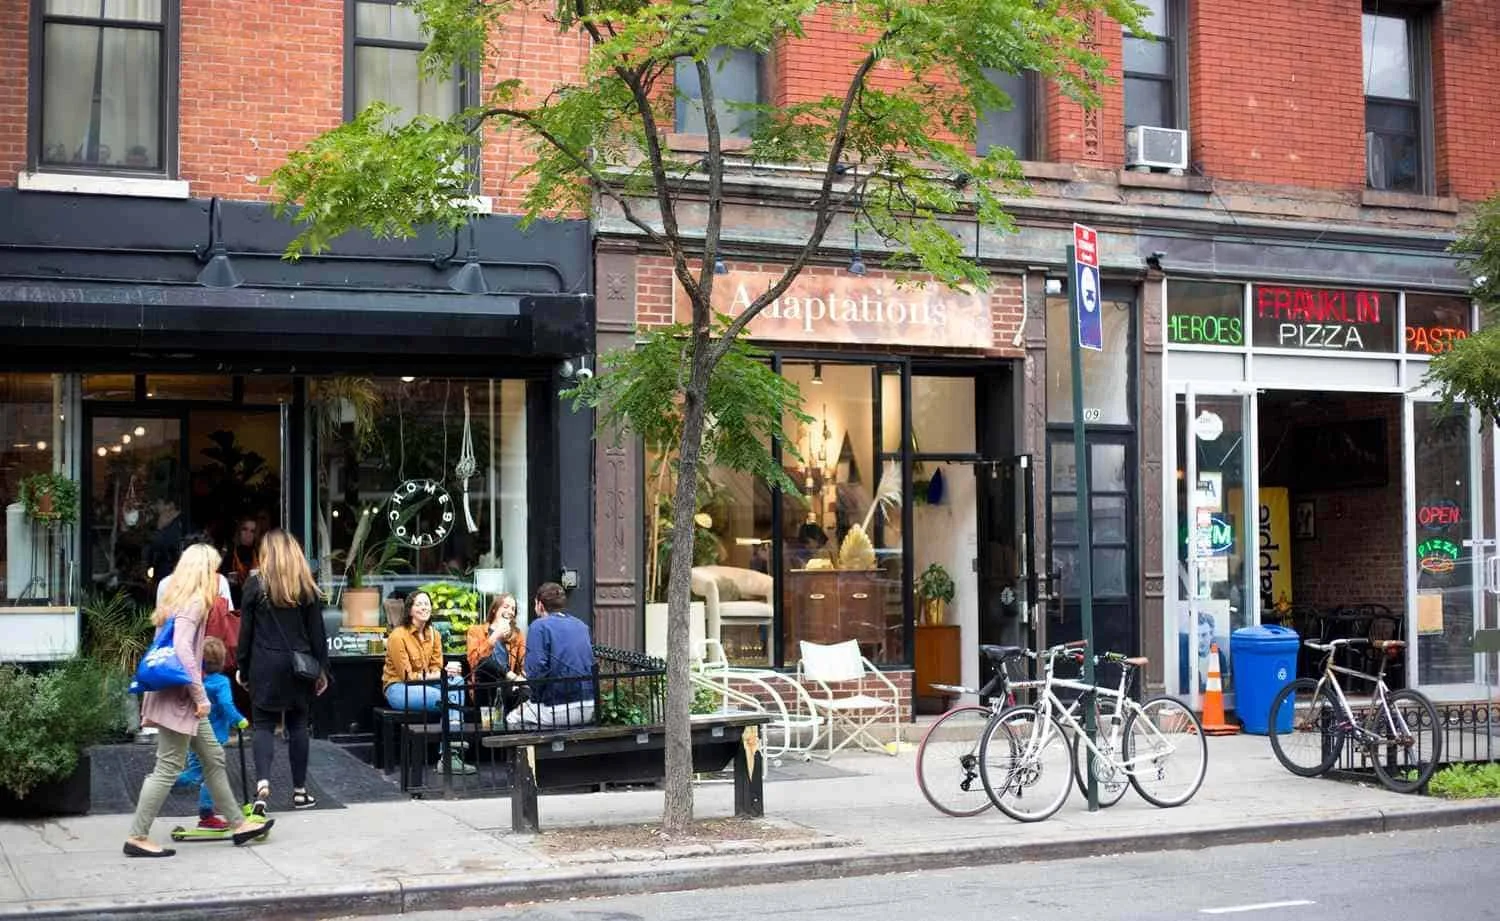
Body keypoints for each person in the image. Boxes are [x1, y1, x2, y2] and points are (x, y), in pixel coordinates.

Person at [124, 544, 273, 857]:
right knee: (168, 766)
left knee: (213, 757)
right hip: (181, 699)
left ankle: (238, 824)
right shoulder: (193, 602)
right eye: (213, 569)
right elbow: (183, 651)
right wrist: (200, 695)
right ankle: (137, 836)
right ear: (203, 571)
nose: (218, 576)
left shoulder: (174, 598)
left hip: (179, 696)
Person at [236, 530, 330, 814]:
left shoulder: (255, 585)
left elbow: (245, 633)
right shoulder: (306, 587)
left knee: (263, 725)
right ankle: (300, 792)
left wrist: (242, 668)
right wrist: (322, 670)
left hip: (264, 664)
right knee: (298, 725)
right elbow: (318, 634)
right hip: (298, 666)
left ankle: (263, 783)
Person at [382, 590, 476, 775]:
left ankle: (449, 753)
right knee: (448, 697)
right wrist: (441, 674)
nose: (424, 607)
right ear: (410, 610)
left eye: (427, 604)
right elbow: (408, 677)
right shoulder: (398, 636)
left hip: (425, 684)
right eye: (419, 604)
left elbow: (435, 668)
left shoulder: (434, 634)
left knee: (457, 681)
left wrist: (446, 673)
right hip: (398, 688)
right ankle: (450, 755)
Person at [175, 636, 248, 831]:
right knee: (210, 774)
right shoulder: (221, 682)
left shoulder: (195, 682)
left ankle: (163, 783)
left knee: (196, 771)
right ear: (222, 661)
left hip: (193, 733)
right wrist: (239, 720)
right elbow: (226, 704)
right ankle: (206, 814)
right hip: (213, 737)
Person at [507, 582, 595, 730]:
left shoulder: (539, 626)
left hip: (558, 708)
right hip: (590, 706)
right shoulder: (581, 625)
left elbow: (536, 670)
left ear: (540, 605)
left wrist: (533, 698)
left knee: (511, 718)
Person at [465, 593, 526, 712]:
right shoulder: (476, 631)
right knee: (486, 661)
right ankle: (508, 676)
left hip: (508, 687)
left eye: (513, 609)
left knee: (526, 692)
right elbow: (474, 662)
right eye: (506, 606)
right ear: (494, 609)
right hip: (485, 685)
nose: (510, 611)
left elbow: (524, 663)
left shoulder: (517, 635)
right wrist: (495, 635)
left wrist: (520, 681)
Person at [222, 516, 260, 608]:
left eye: (252, 531)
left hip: (255, 605)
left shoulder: (260, 555)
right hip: (234, 604)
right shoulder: (229, 555)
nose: (248, 534)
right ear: (239, 531)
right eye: (244, 529)